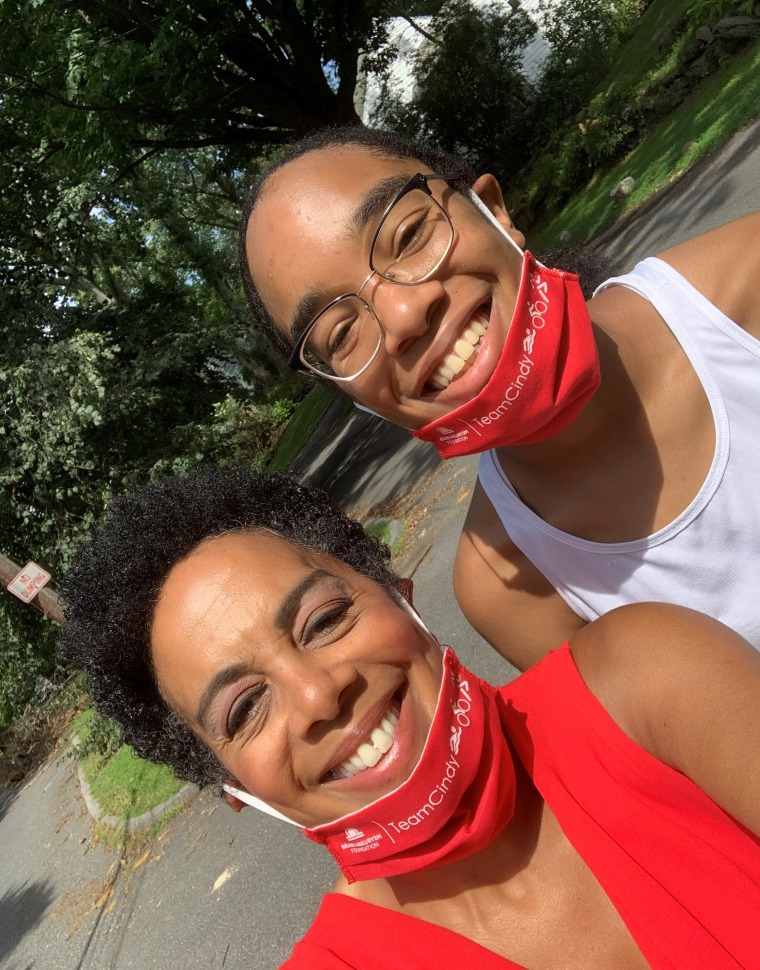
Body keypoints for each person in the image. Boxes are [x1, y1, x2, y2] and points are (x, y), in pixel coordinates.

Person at [62, 465, 760, 969]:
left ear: (397, 593)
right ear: (234, 791)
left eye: (324, 620)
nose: (319, 696)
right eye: (246, 707)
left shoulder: (642, 684)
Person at [238, 125, 760, 669]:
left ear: (492, 211)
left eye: (409, 234)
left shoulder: (748, 287)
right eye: (341, 335)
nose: (404, 316)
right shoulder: (510, 587)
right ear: (355, 398)